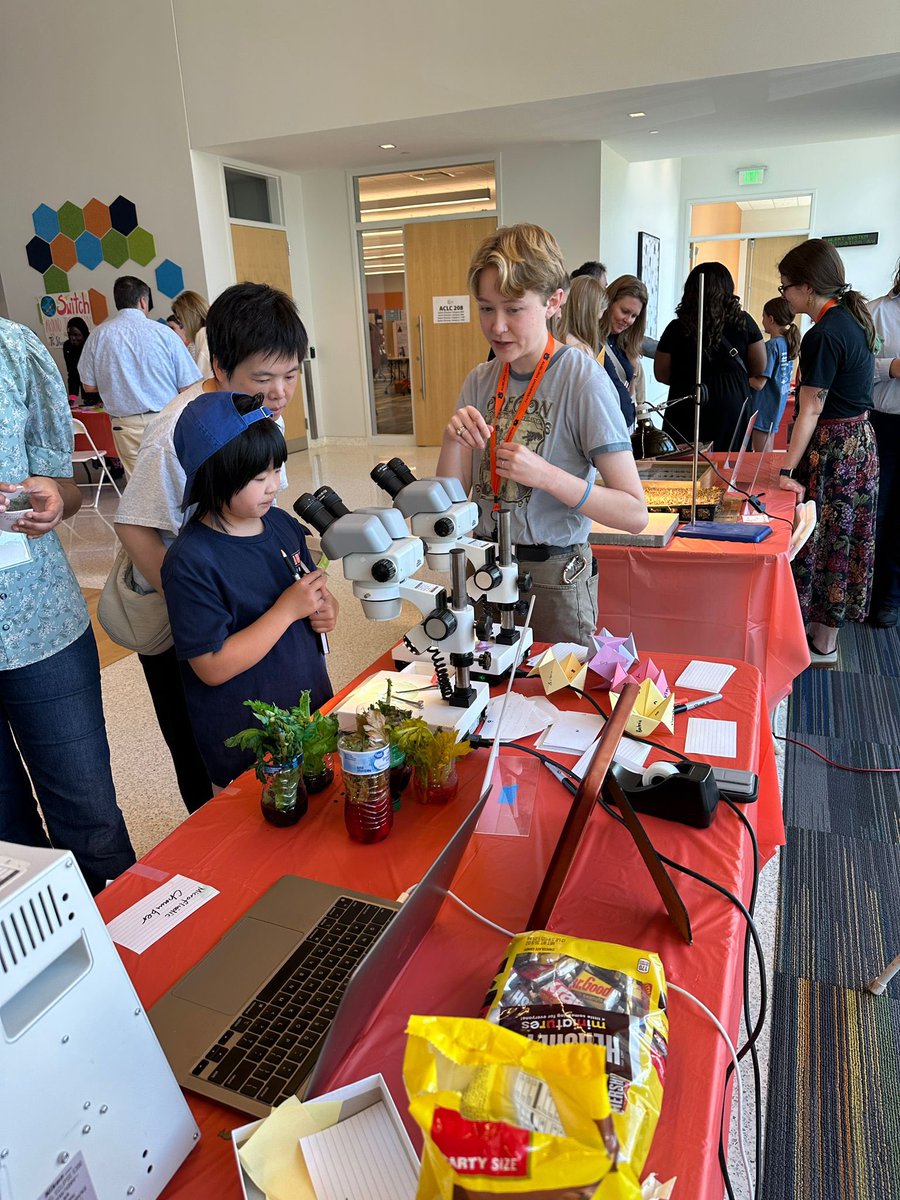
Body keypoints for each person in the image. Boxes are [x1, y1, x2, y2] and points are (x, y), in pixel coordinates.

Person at [115, 281, 308, 811]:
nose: (279, 391)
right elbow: (133, 525)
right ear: (219, 365)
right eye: (263, 377)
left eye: (290, 375)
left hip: (242, 595)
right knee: (207, 754)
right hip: (191, 605)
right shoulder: (177, 430)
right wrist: (194, 597)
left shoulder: (255, 409)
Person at [436, 223, 647, 646]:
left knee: (559, 703)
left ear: (554, 302)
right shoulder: (481, 380)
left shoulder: (581, 379)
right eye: (485, 308)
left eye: (513, 309)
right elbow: (450, 505)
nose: (496, 327)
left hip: (553, 580)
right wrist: (451, 441)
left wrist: (547, 475)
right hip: (483, 569)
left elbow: (634, 513)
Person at [0, 318, 135, 894]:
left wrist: (58, 498)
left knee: (90, 820)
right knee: (7, 844)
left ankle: (135, 969)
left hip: (39, 625)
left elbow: (66, 486)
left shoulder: (12, 348)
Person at [161, 392, 336, 788]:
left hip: (308, 717)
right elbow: (211, 666)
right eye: (259, 477)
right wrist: (286, 612)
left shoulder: (281, 524)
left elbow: (308, 589)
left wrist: (325, 607)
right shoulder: (192, 561)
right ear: (214, 474)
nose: (274, 484)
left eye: (276, 470)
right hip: (247, 746)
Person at [776, 239, 878, 665]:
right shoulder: (853, 321)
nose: (784, 295)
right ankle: (824, 637)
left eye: (785, 287)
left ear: (806, 287)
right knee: (845, 541)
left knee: (827, 541)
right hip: (860, 444)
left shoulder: (824, 334)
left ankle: (822, 645)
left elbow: (811, 408)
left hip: (837, 449)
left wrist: (786, 467)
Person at [77, 275, 200, 477]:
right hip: (166, 420)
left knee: (137, 486)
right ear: (143, 301)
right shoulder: (164, 333)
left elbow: (88, 386)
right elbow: (188, 385)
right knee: (174, 478)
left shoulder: (98, 336)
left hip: (125, 425)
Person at [655, 263, 766, 451]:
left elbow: (662, 373)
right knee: (729, 464)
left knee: (686, 461)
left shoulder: (677, 327)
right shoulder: (743, 322)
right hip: (732, 402)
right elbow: (759, 366)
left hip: (687, 399)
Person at [866, 258, 900, 628]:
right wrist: (891, 366)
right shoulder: (877, 312)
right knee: (877, 510)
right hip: (883, 424)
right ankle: (868, 592)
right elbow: (860, 370)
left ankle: (889, 598)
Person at [748, 297, 800, 452]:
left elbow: (759, 383)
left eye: (763, 317)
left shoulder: (772, 346)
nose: (762, 321)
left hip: (763, 408)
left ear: (771, 319)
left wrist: (741, 376)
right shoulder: (786, 343)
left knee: (760, 457)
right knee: (766, 454)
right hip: (775, 407)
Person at [599, 276, 649, 430]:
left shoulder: (625, 342)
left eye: (634, 316)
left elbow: (629, 395)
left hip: (622, 427)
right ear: (610, 302)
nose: (628, 320)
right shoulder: (593, 341)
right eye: (624, 311)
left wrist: (633, 371)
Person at [556, 275, 608, 359]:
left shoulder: (551, 339)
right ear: (588, 317)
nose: (596, 327)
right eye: (596, 321)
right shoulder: (582, 351)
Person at [172, 289, 211, 378]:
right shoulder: (214, 331)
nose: (181, 325)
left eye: (180, 319)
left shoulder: (203, 335)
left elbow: (204, 378)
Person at [62, 317, 92, 402]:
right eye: (70, 335)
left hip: (100, 392)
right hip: (86, 394)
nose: (73, 338)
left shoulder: (91, 344)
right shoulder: (68, 346)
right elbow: (72, 373)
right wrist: (72, 398)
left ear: (84, 333)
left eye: (76, 335)